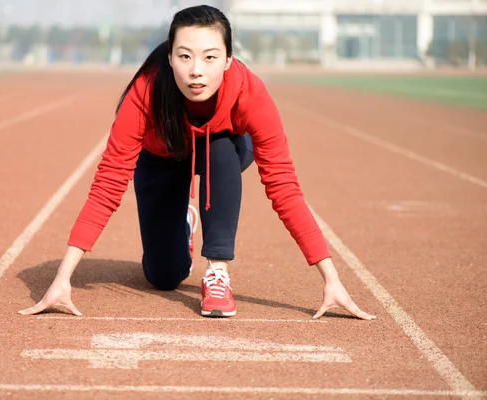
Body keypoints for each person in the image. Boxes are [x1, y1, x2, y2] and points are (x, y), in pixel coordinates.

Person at [19, 5, 376, 320]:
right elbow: (108, 184)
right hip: (161, 158)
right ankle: (186, 226)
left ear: (228, 60)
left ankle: (217, 273)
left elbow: (284, 187)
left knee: (219, 145)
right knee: (163, 276)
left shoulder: (250, 93)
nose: (196, 71)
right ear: (170, 57)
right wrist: (62, 279)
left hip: (222, 150)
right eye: (185, 56)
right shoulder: (146, 92)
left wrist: (331, 279)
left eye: (209, 57)